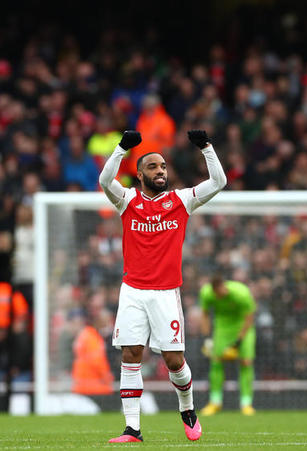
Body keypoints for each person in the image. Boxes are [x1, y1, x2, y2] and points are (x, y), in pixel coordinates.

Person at [99, 129, 226, 443]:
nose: (160, 171)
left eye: (164, 167)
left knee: (173, 360)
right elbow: (105, 181)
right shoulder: (127, 200)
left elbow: (218, 182)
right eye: (153, 167)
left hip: (166, 293)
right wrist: (121, 149)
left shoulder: (181, 201)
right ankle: (133, 429)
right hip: (132, 291)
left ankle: (187, 409)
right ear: (140, 174)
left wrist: (207, 147)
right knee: (131, 354)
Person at [198, 276, 257, 416]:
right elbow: (205, 315)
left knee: (246, 362)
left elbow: (249, 317)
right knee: (216, 362)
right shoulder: (206, 293)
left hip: (243, 327)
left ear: (224, 286)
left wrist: (237, 343)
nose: (220, 295)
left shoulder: (241, 293)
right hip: (222, 328)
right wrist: (207, 338)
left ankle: (246, 403)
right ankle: (215, 402)